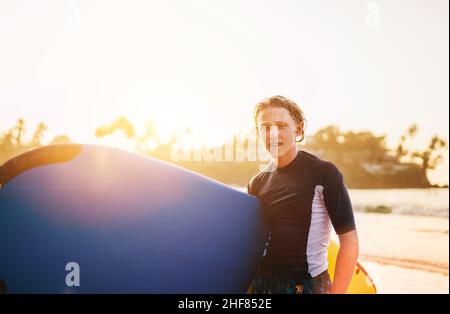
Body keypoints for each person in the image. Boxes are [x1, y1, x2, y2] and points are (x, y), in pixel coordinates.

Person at [248, 95, 359, 294]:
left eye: (281, 125)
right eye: (266, 127)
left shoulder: (324, 173)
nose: (273, 134)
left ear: (298, 129)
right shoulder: (257, 183)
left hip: (306, 286)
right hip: (263, 284)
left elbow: (349, 240)